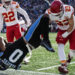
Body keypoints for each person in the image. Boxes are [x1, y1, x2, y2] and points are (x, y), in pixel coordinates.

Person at [45, 0, 75, 74]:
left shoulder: (68, 10)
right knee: (60, 46)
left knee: (72, 51)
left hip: (73, 29)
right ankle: (63, 65)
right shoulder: (49, 12)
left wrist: (65, 34)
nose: (56, 16)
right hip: (61, 29)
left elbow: (71, 25)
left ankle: (69, 59)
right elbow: (46, 24)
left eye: (57, 14)